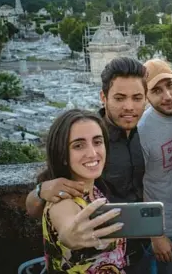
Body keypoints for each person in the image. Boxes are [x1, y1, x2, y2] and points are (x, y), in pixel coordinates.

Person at [25, 57, 150, 272]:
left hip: (137, 250)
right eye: (119, 98)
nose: (129, 106)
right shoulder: (89, 135)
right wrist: (41, 193)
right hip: (97, 252)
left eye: (137, 98)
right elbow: (54, 213)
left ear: (145, 99)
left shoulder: (149, 131)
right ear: (103, 97)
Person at [40, 109, 127, 273]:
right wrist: (69, 235)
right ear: (63, 155)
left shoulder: (93, 189)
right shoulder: (63, 200)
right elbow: (66, 225)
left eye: (97, 142)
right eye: (78, 145)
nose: (93, 153)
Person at [138, 59, 172, 274]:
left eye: (170, 85)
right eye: (157, 90)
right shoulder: (142, 131)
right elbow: (137, 185)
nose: (168, 96)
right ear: (146, 95)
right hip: (161, 225)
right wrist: (155, 235)